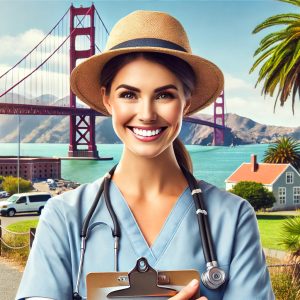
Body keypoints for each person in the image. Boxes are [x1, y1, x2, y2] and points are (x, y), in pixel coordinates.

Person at [16, 10, 275, 300]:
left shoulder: (235, 218)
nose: (147, 114)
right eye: (129, 94)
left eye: (165, 95)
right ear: (107, 99)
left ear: (186, 103)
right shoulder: (63, 217)